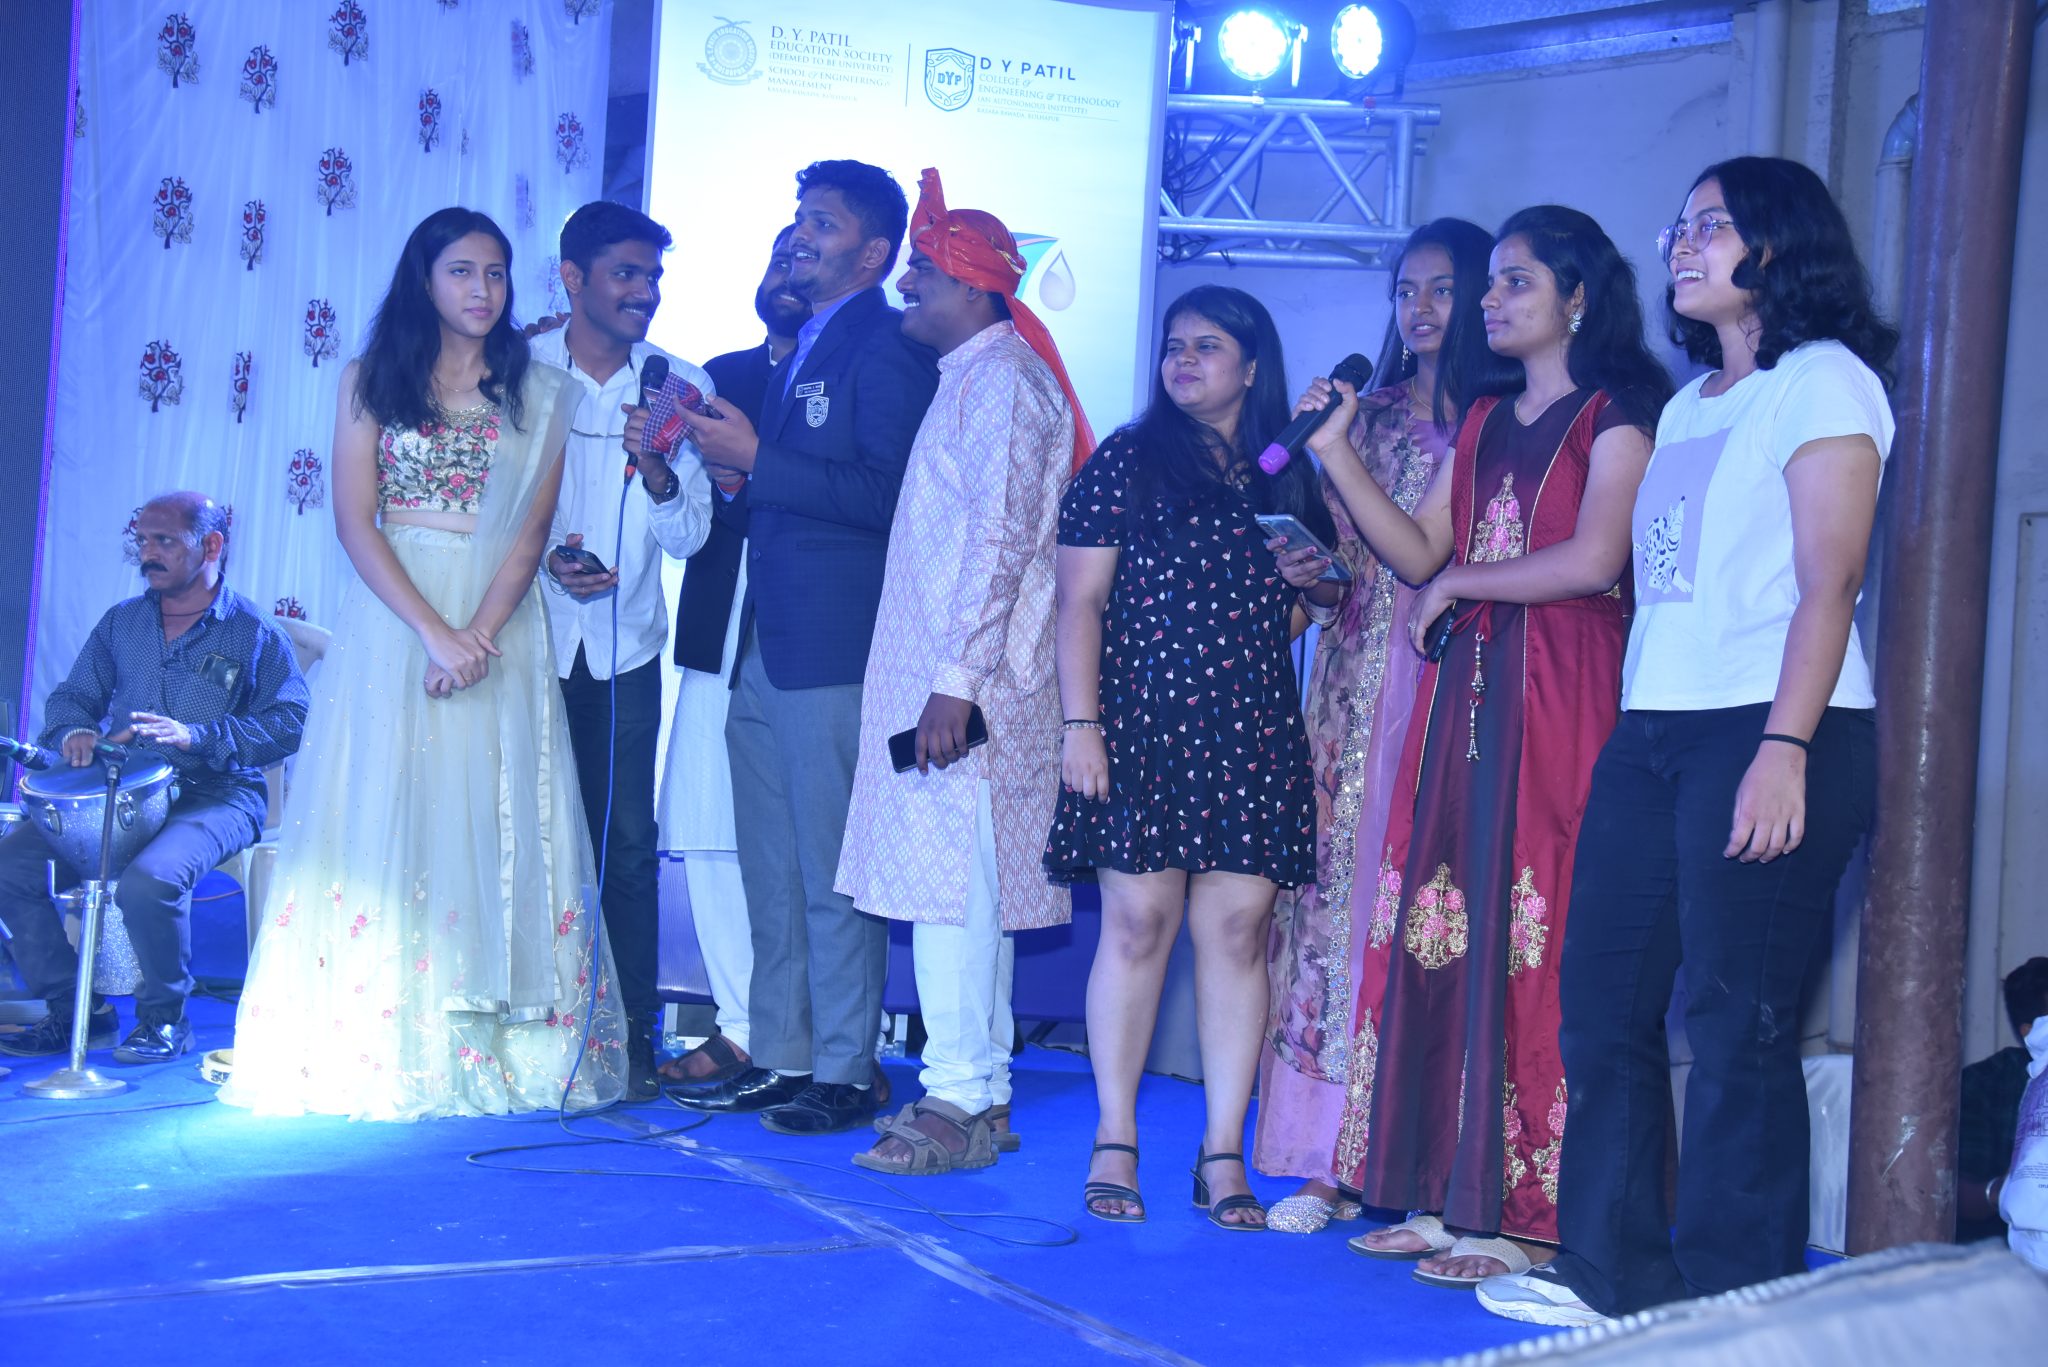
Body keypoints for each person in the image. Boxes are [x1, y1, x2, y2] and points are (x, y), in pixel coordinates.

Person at [1476, 158, 1896, 1327]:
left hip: (1770, 725)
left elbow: (1828, 581)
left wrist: (1782, 746)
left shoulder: (1822, 379)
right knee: (1600, 1001)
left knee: (1733, 1020)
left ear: (1778, 243)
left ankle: (1732, 1296)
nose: (1680, 242)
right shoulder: (1686, 404)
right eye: (1678, 225)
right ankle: (1610, 1271)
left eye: (1710, 225)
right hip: (1652, 725)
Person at [1309, 206, 1669, 1283]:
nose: (1490, 300)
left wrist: (1460, 581)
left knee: (1534, 932)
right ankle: (1442, 1190)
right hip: (1466, 693)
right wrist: (1333, 452)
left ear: (1577, 298)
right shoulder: (1479, 419)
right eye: (1493, 283)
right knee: (1442, 925)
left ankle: (1529, 1215)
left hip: (1562, 688)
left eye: (1517, 281)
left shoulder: (1616, 413)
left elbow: (1594, 557)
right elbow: (1420, 549)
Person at [222, 207, 627, 1119]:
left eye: (496, 273)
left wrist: (473, 635)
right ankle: (381, 1032)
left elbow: (528, 536)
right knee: (386, 807)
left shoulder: (542, 392)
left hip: (498, 627)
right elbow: (354, 520)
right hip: (393, 621)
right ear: (425, 279)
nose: (482, 290)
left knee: (491, 813)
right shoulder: (370, 379)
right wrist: (432, 634)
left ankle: (508, 1044)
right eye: (462, 271)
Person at [1047, 285, 1331, 1229]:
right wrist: (1080, 726)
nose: (1184, 360)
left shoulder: (1286, 468)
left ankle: (1222, 1153)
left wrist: (1315, 588)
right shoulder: (1126, 459)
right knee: (1136, 925)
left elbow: (1301, 609)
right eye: (1174, 345)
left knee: (1241, 933)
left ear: (1252, 367)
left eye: (1208, 346)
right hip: (1136, 725)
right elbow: (1079, 602)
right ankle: (1115, 1136)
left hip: (1250, 728)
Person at [666, 161, 940, 1135]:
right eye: (797, 218)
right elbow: (795, 489)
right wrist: (733, 474)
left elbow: (889, 496)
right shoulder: (802, 346)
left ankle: (846, 1066)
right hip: (763, 641)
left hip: (833, 646)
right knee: (772, 869)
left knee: (828, 869)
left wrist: (757, 459)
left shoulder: (888, 346)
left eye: (821, 222)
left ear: (873, 253)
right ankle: (783, 1054)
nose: (798, 236)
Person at [1253, 218, 1513, 1233]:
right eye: (1406, 290)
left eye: (1442, 289)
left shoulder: (1495, 418)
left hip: (1446, 679)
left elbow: (1425, 555)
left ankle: (1413, 1151)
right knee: (1327, 906)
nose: (1420, 309)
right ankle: (1324, 1158)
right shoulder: (1367, 415)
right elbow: (1351, 573)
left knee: (1417, 902)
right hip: (1350, 679)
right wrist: (1313, 577)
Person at [836, 169, 1091, 1173]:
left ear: (975, 291)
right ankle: (977, 1090)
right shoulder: (977, 378)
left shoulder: (1005, 384)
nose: (906, 284)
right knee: (963, 891)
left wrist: (955, 680)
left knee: (951, 890)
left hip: (967, 689)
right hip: (950, 680)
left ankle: (957, 1096)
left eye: (924, 272)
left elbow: (1000, 541)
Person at [0, 494, 307, 1065]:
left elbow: (290, 721)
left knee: (150, 880)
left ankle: (164, 1020)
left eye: (164, 540)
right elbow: (73, 697)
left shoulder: (251, 630)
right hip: (120, 793)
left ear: (211, 545)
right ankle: (76, 1011)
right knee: (10, 864)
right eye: (142, 540)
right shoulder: (123, 622)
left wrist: (199, 735)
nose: (148, 553)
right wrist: (74, 731)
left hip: (216, 794)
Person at [530, 201, 713, 1100]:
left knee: (627, 847)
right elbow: (481, 510)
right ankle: (527, 1026)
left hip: (625, 651)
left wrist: (661, 470)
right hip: (525, 641)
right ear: (574, 278)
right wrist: (547, 563)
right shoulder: (516, 369)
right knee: (526, 837)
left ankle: (632, 1035)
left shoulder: (679, 385)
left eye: (653, 277)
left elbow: (691, 535)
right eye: (627, 274)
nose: (646, 292)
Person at [656, 225, 808, 1088]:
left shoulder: (856, 376)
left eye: (804, 258)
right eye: (778, 257)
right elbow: (687, 524)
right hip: (720, 624)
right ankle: (742, 1025)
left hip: (815, 637)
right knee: (708, 828)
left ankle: (816, 1037)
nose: (787, 272)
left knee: (805, 842)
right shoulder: (719, 376)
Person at [1961, 958, 2048, 1238]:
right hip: (2001, 1254)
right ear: (2030, 1032)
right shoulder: (1987, 1084)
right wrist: (2003, 1191)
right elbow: (1954, 1193)